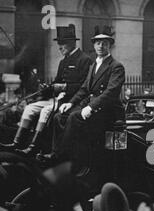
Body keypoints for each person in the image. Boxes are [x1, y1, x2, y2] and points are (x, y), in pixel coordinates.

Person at [0, 24, 92, 156]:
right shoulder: (63, 62)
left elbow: (85, 86)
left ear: (72, 43)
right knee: (29, 108)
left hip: (72, 102)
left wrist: (62, 87)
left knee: (46, 110)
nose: (59, 47)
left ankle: (33, 147)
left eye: (63, 43)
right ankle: (17, 143)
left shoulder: (85, 60)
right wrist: (47, 88)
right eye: (59, 43)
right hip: (57, 100)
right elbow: (56, 83)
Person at [46, 26, 125, 174]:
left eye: (104, 43)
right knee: (59, 116)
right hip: (95, 107)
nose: (101, 46)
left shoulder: (116, 66)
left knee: (75, 117)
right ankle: (56, 153)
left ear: (110, 45)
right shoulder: (94, 64)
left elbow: (110, 93)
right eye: (98, 43)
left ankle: (65, 158)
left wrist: (91, 107)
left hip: (109, 111)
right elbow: (84, 88)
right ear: (94, 45)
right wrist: (71, 103)